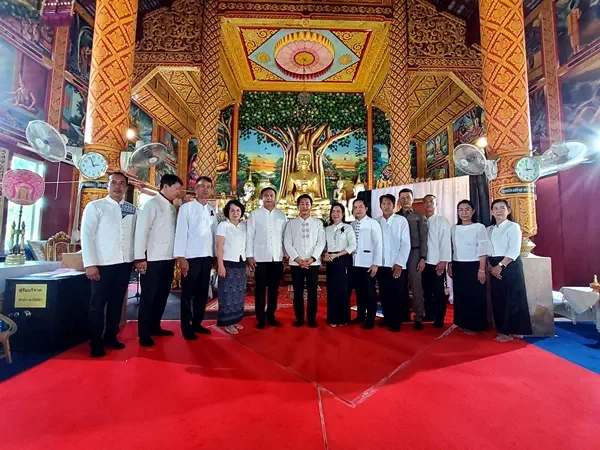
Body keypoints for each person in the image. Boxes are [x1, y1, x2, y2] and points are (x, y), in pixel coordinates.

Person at [81, 172, 136, 358]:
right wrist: (90, 264)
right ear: (107, 185)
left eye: (121, 183)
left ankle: (111, 336)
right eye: (114, 183)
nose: (117, 187)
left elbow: (133, 236)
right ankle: (95, 342)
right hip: (102, 264)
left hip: (124, 263)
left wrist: (135, 258)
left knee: (116, 302)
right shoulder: (95, 206)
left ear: (126, 187)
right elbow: (87, 236)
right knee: (97, 304)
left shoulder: (131, 209)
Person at [134, 174, 183, 347]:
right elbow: (141, 232)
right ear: (166, 186)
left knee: (162, 294)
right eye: (176, 188)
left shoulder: (171, 207)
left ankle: (155, 325)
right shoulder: (151, 204)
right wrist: (140, 257)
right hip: (152, 259)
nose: (178, 192)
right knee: (149, 296)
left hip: (168, 258)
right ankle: (144, 333)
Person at [174, 176, 218, 340]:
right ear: (196, 188)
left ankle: (197, 323)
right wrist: (181, 257)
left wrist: (215, 256)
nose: (205, 189)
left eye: (208, 186)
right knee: (188, 293)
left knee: (202, 293)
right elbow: (180, 233)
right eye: (202, 186)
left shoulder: (212, 210)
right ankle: (186, 327)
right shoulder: (187, 208)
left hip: (207, 257)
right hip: (191, 257)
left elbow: (214, 234)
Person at [487, 199, 532, 342]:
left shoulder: (513, 227)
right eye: (496, 208)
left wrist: (500, 266)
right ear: (491, 212)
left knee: (513, 298)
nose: (499, 211)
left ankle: (512, 331)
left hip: (509, 264)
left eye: (502, 208)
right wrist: (490, 267)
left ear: (508, 210)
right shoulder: (489, 229)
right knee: (499, 299)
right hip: (493, 265)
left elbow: (513, 250)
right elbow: (485, 249)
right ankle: (504, 329)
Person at [246, 187, 288, 329]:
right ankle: (260, 318)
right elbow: (250, 236)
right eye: (266, 195)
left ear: (275, 198)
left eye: (271, 195)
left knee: (274, 289)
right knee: (260, 289)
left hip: (276, 258)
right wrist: (249, 255)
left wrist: (285, 253)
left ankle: (271, 316)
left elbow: (285, 237)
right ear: (262, 198)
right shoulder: (254, 214)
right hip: (260, 258)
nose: (269, 198)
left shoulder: (281, 215)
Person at [284, 194, 326, 327]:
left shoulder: (318, 223)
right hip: (296, 263)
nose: (304, 206)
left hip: (313, 263)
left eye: (307, 203)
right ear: (298, 206)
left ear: (311, 206)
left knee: (313, 291)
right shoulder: (291, 223)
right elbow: (287, 242)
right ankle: (299, 318)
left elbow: (321, 242)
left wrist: (312, 258)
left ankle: (312, 318)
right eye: (302, 204)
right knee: (298, 291)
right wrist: (297, 259)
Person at [448, 199, 489, 334]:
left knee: (474, 295)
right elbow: (452, 248)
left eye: (467, 209)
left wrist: (481, 269)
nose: (464, 213)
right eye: (461, 210)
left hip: (474, 265)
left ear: (473, 211)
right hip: (458, 265)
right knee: (461, 295)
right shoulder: (454, 228)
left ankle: (475, 325)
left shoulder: (479, 227)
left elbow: (483, 249)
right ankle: (461, 322)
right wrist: (450, 264)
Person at [376, 194, 410, 332]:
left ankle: (396, 321)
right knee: (384, 293)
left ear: (394, 205)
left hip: (396, 264)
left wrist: (399, 263)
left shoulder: (401, 221)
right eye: (383, 203)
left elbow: (406, 243)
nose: (386, 206)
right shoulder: (376, 222)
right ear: (380, 206)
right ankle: (387, 317)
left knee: (397, 293)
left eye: (389, 203)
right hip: (381, 264)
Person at [396, 188, 428, 329]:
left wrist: (423, 257)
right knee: (400, 284)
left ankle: (419, 316)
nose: (405, 200)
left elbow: (424, 238)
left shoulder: (419, 216)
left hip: (414, 253)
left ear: (412, 199)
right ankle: (403, 314)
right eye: (402, 198)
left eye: (408, 197)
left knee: (416, 285)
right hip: (399, 254)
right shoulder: (395, 217)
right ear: (399, 200)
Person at [216, 199, 248, 335]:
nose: (235, 213)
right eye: (232, 210)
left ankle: (235, 320)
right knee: (227, 294)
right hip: (227, 263)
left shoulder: (243, 226)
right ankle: (227, 323)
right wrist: (220, 265)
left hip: (240, 263)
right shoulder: (223, 225)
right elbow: (219, 247)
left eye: (238, 210)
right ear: (227, 212)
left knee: (238, 294)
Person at [350, 198, 383, 329]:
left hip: (368, 263)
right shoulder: (352, 224)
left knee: (370, 292)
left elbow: (378, 244)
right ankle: (360, 315)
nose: (358, 209)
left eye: (360, 207)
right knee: (359, 292)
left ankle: (370, 319)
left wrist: (376, 263)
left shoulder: (373, 223)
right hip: (355, 263)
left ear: (366, 208)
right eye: (355, 207)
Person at [323, 202, 356, 327]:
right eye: (333, 211)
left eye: (338, 212)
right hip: (331, 261)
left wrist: (337, 255)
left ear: (342, 214)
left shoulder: (348, 228)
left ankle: (343, 318)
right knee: (332, 290)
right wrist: (325, 253)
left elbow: (352, 246)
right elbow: (323, 245)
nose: (335, 214)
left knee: (343, 289)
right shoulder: (326, 229)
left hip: (343, 260)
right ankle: (332, 318)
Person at [422, 194, 452, 328]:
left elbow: (445, 242)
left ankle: (439, 318)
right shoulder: (421, 220)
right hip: (424, 263)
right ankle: (429, 314)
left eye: (431, 202)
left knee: (438, 291)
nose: (428, 204)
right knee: (426, 291)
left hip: (437, 262)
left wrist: (443, 261)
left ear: (436, 204)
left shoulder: (442, 221)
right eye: (426, 202)